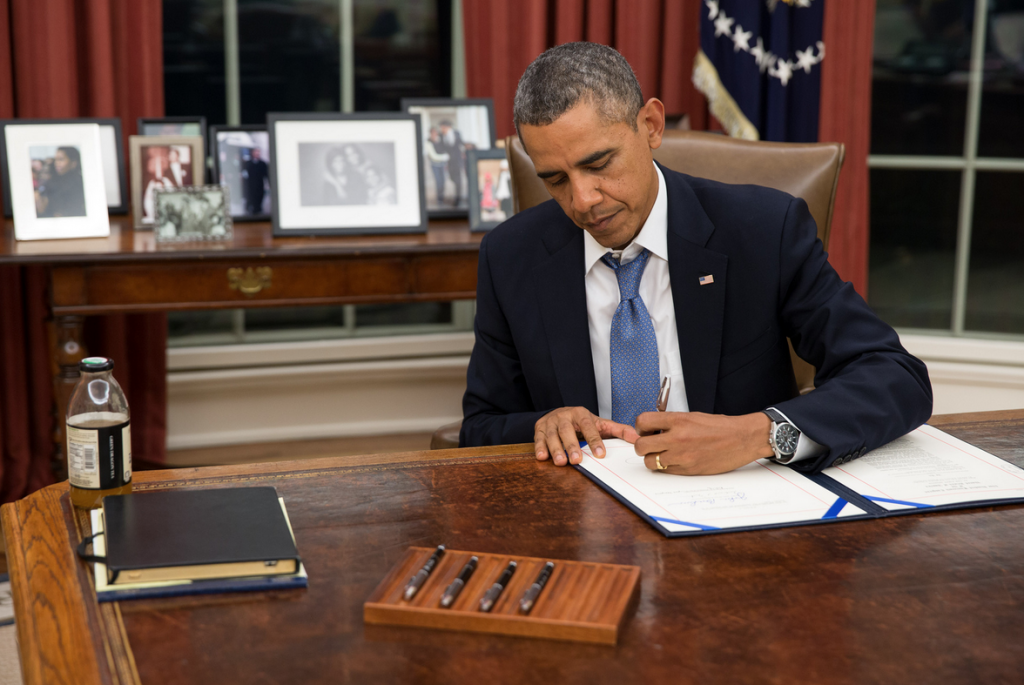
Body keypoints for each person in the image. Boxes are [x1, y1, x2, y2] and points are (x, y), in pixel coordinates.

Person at [459, 42, 932, 476]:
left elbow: (895, 378)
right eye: (555, 179)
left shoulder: (763, 230)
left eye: (598, 164)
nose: (582, 200)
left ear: (651, 126)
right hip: (584, 514)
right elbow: (480, 427)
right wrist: (544, 425)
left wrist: (758, 434)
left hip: (742, 506)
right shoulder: (510, 256)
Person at [35, 147, 86, 218]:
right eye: (56, 160)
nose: (57, 163)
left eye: (61, 159)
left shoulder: (80, 183)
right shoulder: (54, 180)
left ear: (73, 163)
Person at [436, 120, 465, 207]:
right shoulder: (441, 136)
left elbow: (460, 144)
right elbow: (441, 148)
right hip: (448, 162)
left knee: (458, 180)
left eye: (443, 128)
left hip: (457, 160)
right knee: (452, 178)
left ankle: (458, 198)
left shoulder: (456, 133)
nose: (442, 129)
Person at [425, 127, 450, 204]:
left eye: (435, 132)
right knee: (438, 181)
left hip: (442, 165)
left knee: (443, 181)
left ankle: (442, 197)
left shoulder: (440, 140)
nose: (434, 134)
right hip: (435, 165)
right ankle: (439, 199)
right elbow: (433, 156)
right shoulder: (428, 142)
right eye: (433, 133)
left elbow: (446, 149)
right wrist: (444, 157)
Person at [243, 147, 270, 214]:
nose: (257, 153)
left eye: (258, 152)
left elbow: (266, 175)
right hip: (250, 186)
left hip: (259, 185)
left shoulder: (262, 163)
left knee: (259, 200)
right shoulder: (248, 163)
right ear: (252, 153)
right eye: (255, 152)